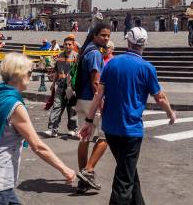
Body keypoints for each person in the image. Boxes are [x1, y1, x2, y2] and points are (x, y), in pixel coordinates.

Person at [0, 53, 76, 204]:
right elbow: (38, 146)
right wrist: (64, 169)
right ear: (20, 74)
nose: (31, 75)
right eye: (30, 72)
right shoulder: (14, 106)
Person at [79, 27, 176, 204]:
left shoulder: (112, 64)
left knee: (128, 170)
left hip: (111, 129)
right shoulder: (147, 68)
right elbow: (160, 97)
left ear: (128, 42)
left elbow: (98, 95)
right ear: (145, 44)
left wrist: (88, 121)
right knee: (124, 179)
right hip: (131, 131)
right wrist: (170, 113)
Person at [75, 23, 110, 193]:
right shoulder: (95, 53)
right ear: (95, 35)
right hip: (91, 100)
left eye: (108, 36)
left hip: (80, 99)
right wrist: (101, 104)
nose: (106, 38)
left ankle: (82, 181)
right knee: (105, 137)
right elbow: (96, 82)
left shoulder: (85, 50)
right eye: (103, 35)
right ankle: (88, 170)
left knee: (84, 138)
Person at [45, 36, 79, 138]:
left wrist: (75, 87)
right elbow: (56, 71)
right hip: (60, 87)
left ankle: (72, 129)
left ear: (73, 46)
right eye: (65, 44)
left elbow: (78, 73)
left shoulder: (76, 57)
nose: (67, 46)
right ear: (63, 45)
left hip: (71, 88)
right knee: (56, 107)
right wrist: (52, 84)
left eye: (69, 44)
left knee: (72, 109)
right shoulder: (59, 56)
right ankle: (52, 129)